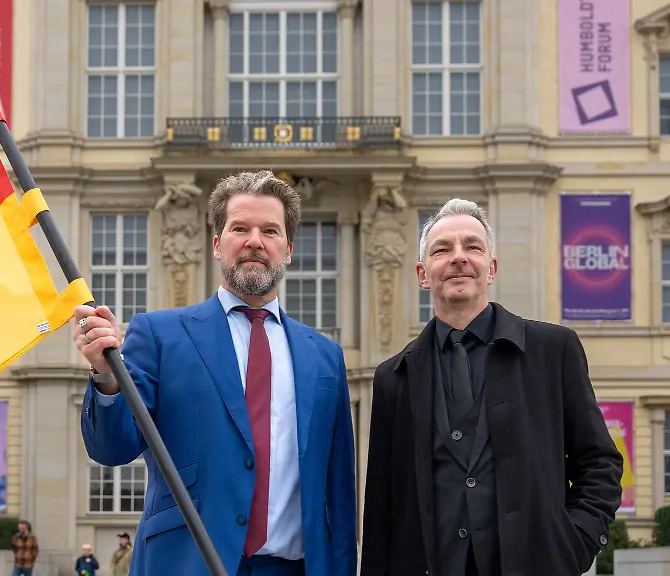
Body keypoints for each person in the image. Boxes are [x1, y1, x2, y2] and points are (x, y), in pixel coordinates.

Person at [75, 170, 357, 576]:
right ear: (217, 245)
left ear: (289, 250)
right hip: (186, 564)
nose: (255, 241)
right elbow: (112, 449)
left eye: (270, 231)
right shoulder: (159, 335)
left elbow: (339, 490)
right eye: (240, 228)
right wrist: (106, 376)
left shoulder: (325, 357)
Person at [360, 198, 624, 576]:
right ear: (422, 274)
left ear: (491, 268)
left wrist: (575, 542)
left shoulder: (553, 350)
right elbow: (381, 505)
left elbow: (599, 462)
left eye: (473, 247)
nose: (458, 257)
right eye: (442, 250)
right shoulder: (392, 377)